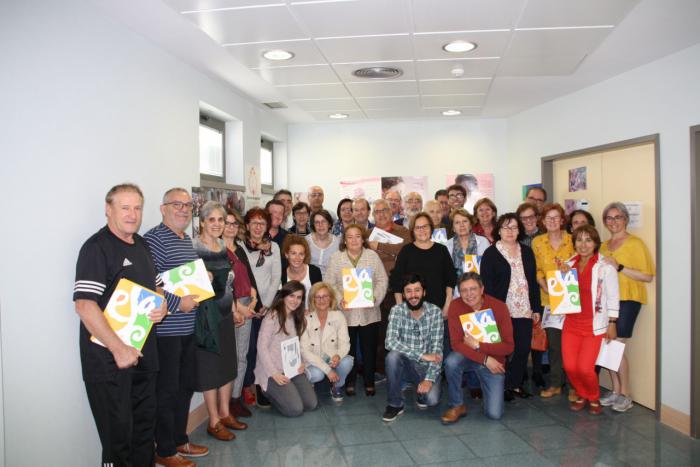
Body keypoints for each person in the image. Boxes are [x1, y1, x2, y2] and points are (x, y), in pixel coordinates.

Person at [74, 183, 168, 467]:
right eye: (124, 207)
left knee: (143, 432)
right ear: (108, 209)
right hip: (110, 363)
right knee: (119, 441)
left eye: (137, 208)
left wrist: (161, 305)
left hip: (144, 357)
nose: (132, 214)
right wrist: (118, 349)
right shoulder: (96, 248)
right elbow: (85, 305)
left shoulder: (142, 244)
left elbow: (157, 287)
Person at [144, 187, 209, 466]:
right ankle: (165, 450)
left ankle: (181, 439)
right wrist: (175, 303)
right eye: (176, 204)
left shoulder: (185, 240)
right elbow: (149, 284)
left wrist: (202, 279)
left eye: (187, 205)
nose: (183, 209)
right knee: (167, 390)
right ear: (162, 208)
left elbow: (184, 280)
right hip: (167, 331)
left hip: (188, 328)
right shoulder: (152, 240)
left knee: (184, 387)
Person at [192, 202, 247, 441]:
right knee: (210, 369)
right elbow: (191, 288)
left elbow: (229, 284)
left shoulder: (224, 247)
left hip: (225, 314)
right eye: (211, 219)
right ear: (202, 222)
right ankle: (213, 420)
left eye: (221, 220)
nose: (217, 224)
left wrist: (235, 308)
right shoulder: (193, 248)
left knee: (228, 365)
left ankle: (225, 413)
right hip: (206, 317)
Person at [599, 202, 655, 412]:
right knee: (609, 346)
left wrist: (620, 267)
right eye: (609, 218)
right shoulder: (604, 246)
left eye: (618, 217)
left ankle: (626, 394)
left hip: (629, 300)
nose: (614, 222)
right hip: (607, 303)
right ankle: (615, 391)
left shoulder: (635, 243)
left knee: (615, 346)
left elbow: (648, 276)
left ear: (626, 219)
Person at [480, 213, 542, 400]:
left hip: (524, 307)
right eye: (506, 227)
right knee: (502, 350)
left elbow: (532, 281)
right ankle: (501, 386)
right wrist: (489, 310)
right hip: (501, 309)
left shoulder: (527, 251)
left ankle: (514, 385)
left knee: (522, 348)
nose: (510, 231)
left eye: (514, 227)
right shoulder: (491, 253)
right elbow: (487, 284)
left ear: (519, 230)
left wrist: (536, 308)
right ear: (499, 230)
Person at [561, 225, 619, 414]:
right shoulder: (568, 264)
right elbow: (561, 294)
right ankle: (581, 393)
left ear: (595, 243)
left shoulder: (605, 267)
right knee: (570, 366)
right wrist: (559, 276)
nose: (583, 244)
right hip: (571, 323)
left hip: (594, 325)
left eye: (588, 240)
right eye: (579, 240)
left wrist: (612, 323)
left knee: (585, 368)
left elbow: (613, 297)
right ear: (574, 242)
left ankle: (592, 397)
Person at [442, 272, 515, 423]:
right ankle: (457, 405)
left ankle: (486, 390)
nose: (469, 294)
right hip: (472, 358)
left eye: (473, 289)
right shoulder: (455, 306)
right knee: (451, 361)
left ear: (482, 289)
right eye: (464, 290)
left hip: (494, 363)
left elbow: (508, 347)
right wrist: (485, 359)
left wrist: (478, 345)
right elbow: (456, 344)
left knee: (494, 414)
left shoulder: (499, 307)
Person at [326, 224, 388, 396]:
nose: (354, 240)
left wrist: (374, 297)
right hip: (346, 314)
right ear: (344, 240)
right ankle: (350, 381)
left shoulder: (372, 256)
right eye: (350, 237)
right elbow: (329, 283)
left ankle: (369, 381)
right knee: (348, 350)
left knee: (369, 349)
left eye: (358, 236)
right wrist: (339, 300)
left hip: (370, 312)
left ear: (363, 239)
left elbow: (382, 280)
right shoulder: (336, 258)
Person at [382, 274, 443, 422]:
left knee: (432, 400)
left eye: (417, 290)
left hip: (425, 368)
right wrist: (421, 355)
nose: (413, 295)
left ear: (424, 292)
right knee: (392, 356)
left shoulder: (435, 312)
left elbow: (437, 351)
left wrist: (429, 379)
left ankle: (420, 390)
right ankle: (395, 404)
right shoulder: (397, 311)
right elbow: (389, 342)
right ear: (403, 294)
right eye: (408, 291)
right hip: (405, 364)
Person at [254, 281, 318, 416]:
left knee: (311, 404)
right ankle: (266, 391)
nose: (295, 301)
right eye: (291, 296)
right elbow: (261, 347)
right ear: (283, 296)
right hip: (272, 372)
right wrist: (274, 373)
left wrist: (302, 364)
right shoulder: (272, 317)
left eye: (299, 297)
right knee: (295, 409)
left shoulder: (296, 317)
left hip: (291, 369)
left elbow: (298, 346)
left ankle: (287, 392)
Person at [532, 203, 575, 400]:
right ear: (542, 221)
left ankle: (575, 386)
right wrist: (543, 284)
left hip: (573, 299)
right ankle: (556, 383)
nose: (552, 221)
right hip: (549, 298)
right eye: (548, 218)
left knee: (573, 343)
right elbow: (537, 269)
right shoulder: (538, 242)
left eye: (556, 217)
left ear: (562, 220)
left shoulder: (572, 239)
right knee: (555, 344)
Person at [240, 207, 282, 409]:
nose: (258, 227)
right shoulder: (239, 246)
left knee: (263, 348)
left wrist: (265, 304)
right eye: (254, 222)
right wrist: (250, 305)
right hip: (245, 307)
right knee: (247, 349)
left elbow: (276, 277)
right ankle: (246, 386)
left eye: (262, 223)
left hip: (266, 306)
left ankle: (262, 388)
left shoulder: (273, 247)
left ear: (267, 226)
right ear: (247, 225)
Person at [222, 209, 258, 419]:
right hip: (229, 307)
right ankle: (225, 403)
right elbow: (221, 285)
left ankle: (236, 399)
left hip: (246, 303)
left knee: (242, 354)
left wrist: (253, 300)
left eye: (235, 224)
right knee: (230, 357)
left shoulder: (240, 248)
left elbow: (249, 278)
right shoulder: (216, 250)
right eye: (227, 223)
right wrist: (239, 307)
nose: (231, 227)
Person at [368, 198, 411, 374]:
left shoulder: (403, 231)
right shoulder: (367, 234)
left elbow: (405, 250)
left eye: (384, 210)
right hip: (375, 291)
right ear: (373, 215)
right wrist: (391, 251)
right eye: (377, 211)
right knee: (378, 334)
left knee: (399, 333)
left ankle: (401, 370)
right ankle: (380, 371)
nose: (381, 214)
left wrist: (379, 246)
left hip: (396, 291)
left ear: (391, 211)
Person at [300, 282, 353, 402]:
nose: (321, 300)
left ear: (330, 298)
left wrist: (338, 356)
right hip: (313, 360)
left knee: (347, 362)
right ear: (312, 300)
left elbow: (345, 343)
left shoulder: (338, 316)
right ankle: (309, 385)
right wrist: (328, 370)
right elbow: (305, 351)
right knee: (317, 374)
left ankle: (337, 386)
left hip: (331, 357)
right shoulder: (306, 319)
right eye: (317, 297)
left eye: (325, 296)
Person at [447, 209, 489, 289]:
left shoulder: (483, 242)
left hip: (479, 290)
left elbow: (489, 270)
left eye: (465, 221)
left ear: (470, 225)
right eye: (457, 222)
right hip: (455, 292)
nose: (461, 225)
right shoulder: (447, 246)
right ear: (453, 228)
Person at [280, 235, 322, 310]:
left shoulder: (314, 271)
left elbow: (319, 299)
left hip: (311, 314)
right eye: (293, 253)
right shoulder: (281, 274)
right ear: (286, 255)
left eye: (301, 254)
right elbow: (280, 302)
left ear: (305, 255)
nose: (297, 258)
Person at [308, 209, 340, 279]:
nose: (320, 225)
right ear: (313, 225)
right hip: (310, 281)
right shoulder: (306, 241)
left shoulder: (338, 243)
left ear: (329, 224)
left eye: (323, 221)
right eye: (317, 222)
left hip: (330, 281)